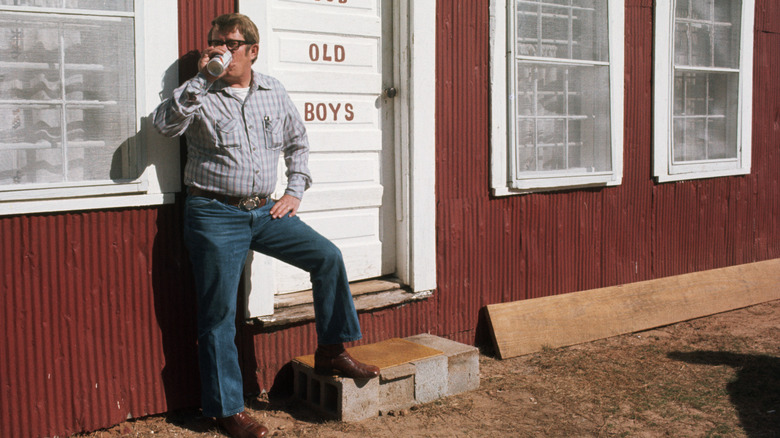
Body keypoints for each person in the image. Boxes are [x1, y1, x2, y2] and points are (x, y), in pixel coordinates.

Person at [151, 13, 379, 438]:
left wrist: (294, 191)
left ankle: (331, 350)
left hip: (264, 211)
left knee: (327, 257)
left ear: (252, 51)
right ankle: (227, 410)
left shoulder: (273, 90)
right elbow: (164, 126)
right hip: (215, 214)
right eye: (214, 42)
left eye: (230, 44)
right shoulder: (198, 92)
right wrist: (202, 78)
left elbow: (298, 142)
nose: (221, 50)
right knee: (219, 313)